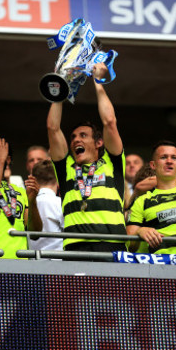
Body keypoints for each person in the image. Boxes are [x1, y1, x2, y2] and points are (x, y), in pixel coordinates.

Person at [47, 62, 126, 252]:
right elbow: (53, 128)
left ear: (99, 143)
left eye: (83, 136)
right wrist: (61, 86)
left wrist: (97, 81)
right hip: (75, 248)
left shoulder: (111, 162)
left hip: (112, 246)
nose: (75, 141)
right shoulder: (65, 166)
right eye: (73, 137)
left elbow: (109, 122)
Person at [29, 159, 64, 252]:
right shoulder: (59, 203)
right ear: (57, 180)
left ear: (34, 179)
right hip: (58, 261)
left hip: (32, 261)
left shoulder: (27, 203)